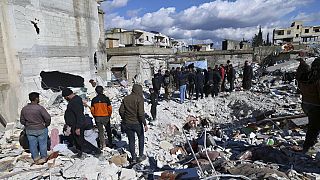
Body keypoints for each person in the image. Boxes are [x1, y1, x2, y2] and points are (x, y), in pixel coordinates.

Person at [62, 88, 101, 158]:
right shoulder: (76, 99)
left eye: (65, 97)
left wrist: (78, 127)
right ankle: (80, 153)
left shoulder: (75, 102)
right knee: (77, 140)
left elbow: (79, 115)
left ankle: (96, 151)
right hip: (74, 124)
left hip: (77, 124)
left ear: (67, 96)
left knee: (81, 141)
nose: (65, 99)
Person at [119, 84, 148, 163]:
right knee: (141, 138)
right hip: (137, 123)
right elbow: (141, 113)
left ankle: (133, 158)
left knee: (131, 140)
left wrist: (124, 118)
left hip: (127, 123)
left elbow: (121, 110)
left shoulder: (126, 98)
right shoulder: (140, 99)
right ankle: (141, 155)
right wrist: (145, 124)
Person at [297, 57, 320, 153]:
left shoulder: (305, 77)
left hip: (306, 104)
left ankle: (310, 145)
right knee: (313, 129)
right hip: (316, 107)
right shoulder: (318, 78)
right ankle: (307, 147)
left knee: (313, 127)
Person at [20, 92, 51, 164]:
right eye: (38, 98)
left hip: (30, 130)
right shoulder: (40, 108)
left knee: (32, 144)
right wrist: (46, 125)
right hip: (41, 128)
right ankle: (43, 158)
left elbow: (22, 120)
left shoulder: (24, 109)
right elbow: (48, 118)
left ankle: (36, 158)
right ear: (36, 99)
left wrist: (27, 125)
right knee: (43, 144)